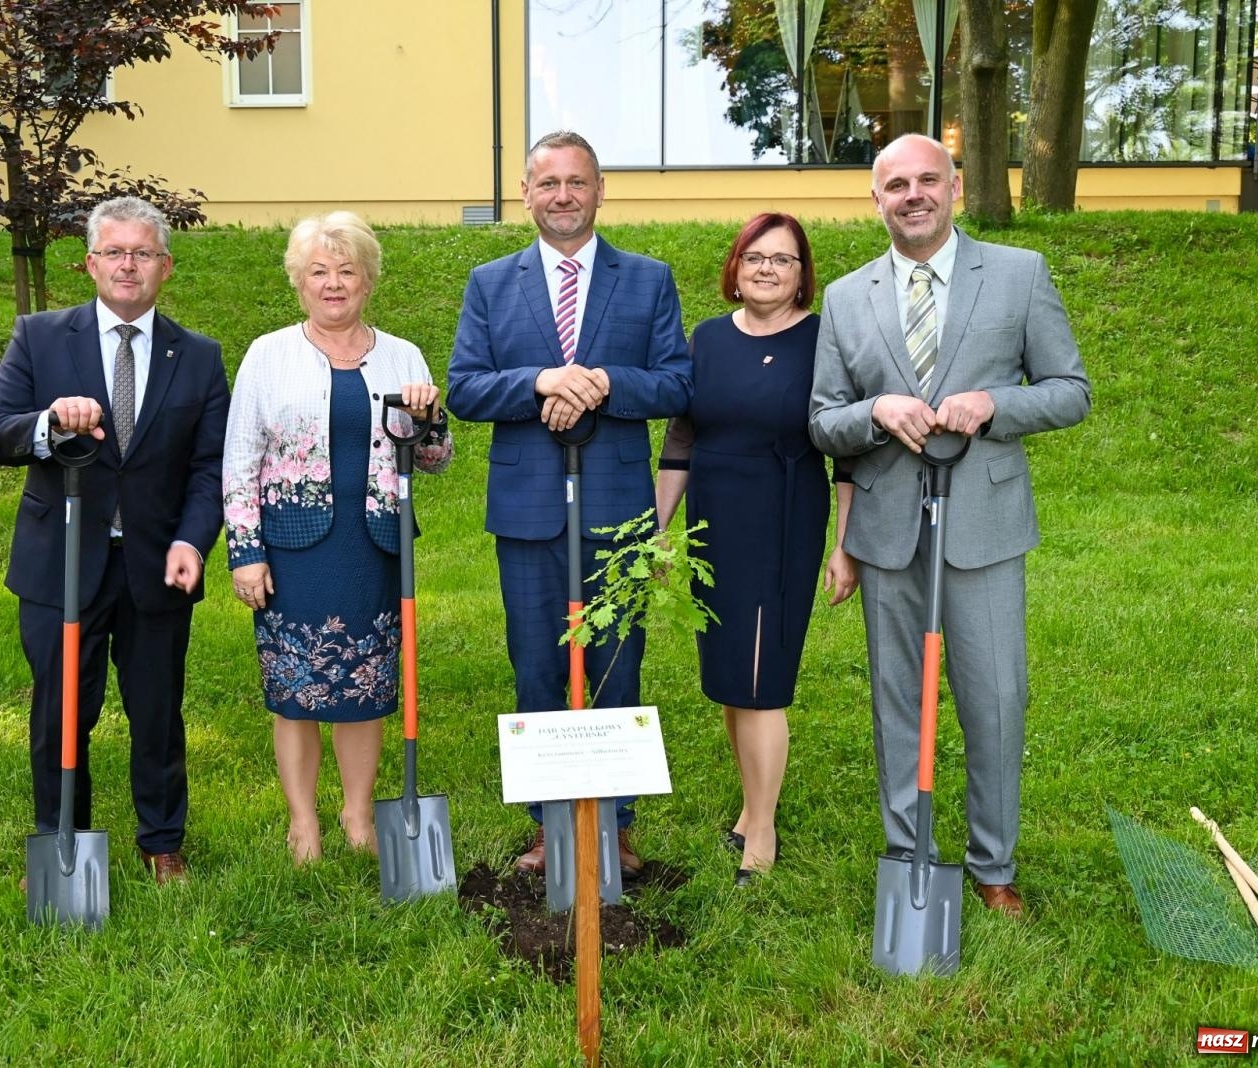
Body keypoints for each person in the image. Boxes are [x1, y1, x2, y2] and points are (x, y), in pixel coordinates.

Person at [807, 134, 1090, 917]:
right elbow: (824, 421)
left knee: (996, 696)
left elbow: (1070, 390)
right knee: (898, 697)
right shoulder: (845, 296)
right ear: (876, 201)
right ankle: (910, 853)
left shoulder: (1018, 274)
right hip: (889, 529)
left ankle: (992, 864)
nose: (913, 194)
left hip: (986, 526)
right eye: (895, 184)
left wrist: (997, 404)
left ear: (956, 187)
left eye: (928, 179)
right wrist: (875, 411)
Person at [447, 130, 691, 877]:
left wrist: (605, 382)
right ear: (525, 193)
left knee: (617, 660)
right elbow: (463, 388)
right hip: (527, 508)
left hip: (618, 503)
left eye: (576, 182)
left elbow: (678, 384)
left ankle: (614, 826)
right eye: (547, 182)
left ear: (598, 191)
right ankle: (551, 826)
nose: (562, 195)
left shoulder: (647, 279)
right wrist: (542, 383)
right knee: (536, 665)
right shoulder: (492, 282)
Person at [0, 196, 229, 886]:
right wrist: (47, 422)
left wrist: (193, 541)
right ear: (90, 263)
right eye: (115, 252)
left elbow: (210, 467)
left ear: (166, 267)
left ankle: (162, 840)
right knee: (61, 711)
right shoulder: (39, 337)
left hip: (157, 564)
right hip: (60, 562)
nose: (128, 265)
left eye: (142, 253)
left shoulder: (199, 358)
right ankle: (60, 838)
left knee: (157, 711)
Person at [222, 212, 452, 864]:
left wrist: (431, 421)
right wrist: (246, 553)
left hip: (374, 546)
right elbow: (239, 461)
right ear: (299, 282)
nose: (333, 284)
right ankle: (304, 825)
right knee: (294, 693)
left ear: (367, 280)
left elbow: (435, 459)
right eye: (319, 272)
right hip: (294, 549)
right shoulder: (268, 355)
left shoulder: (403, 355)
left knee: (367, 689)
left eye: (346, 271)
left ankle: (357, 815)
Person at [655, 212, 858, 886]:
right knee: (728, 680)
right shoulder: (707, 338)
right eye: (755, 257)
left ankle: (762, 833)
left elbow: (848, 454)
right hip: (715, 523)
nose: (767, 268)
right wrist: (659, 532)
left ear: (803, 276)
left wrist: (844, 545)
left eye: (783, 259)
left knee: (763, 681)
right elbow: (681, 438)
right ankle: (749, 808)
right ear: (735, 268)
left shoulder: (824, 339)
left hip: (782, 521)